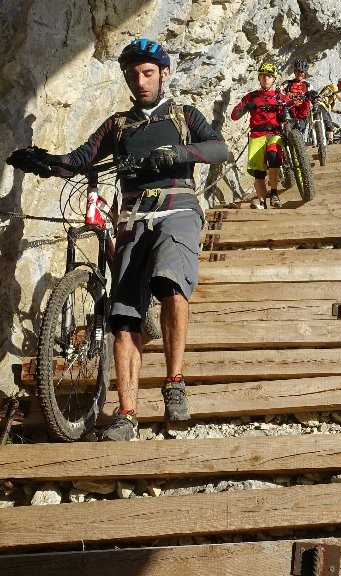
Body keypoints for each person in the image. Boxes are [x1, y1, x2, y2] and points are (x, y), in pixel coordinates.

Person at [6, 38, 231, 441]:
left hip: (176, 209)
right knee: (124, 318)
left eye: (148, 73)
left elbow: (219, 148)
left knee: (171, 284)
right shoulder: (117, 124)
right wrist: (42, 161)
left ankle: (174, 382)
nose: (140, 81)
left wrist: (177, 154)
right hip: (131, 216)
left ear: (164, 74)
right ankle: (126, 414)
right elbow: (79, 160)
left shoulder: (183, 115)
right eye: (133, 74)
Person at [231, 62, 290, 209]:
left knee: (273, 155)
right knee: (258, 172)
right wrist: (246, 107)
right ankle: (262, 203)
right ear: (259, 78)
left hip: (274, 133)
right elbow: (234, 116)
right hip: (257, 135)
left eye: (269, 76)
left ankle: (274, 193)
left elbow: (296, 110)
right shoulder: (252, 97)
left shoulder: (280, 96)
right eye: (263, 76)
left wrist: (306, 100)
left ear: (274, 79)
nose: (266, 79)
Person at [281, 60, 314, 134]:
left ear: (304, 73)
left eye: (302, 72)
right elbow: (279, 93)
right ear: (294, 72)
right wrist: (287, 93)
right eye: (298, 71)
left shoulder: (308, 85)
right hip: (289, 110)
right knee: (288, 130)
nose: (300, 73)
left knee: (301, 130)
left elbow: (312, 96)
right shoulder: (287, 83)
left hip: (303, 111)